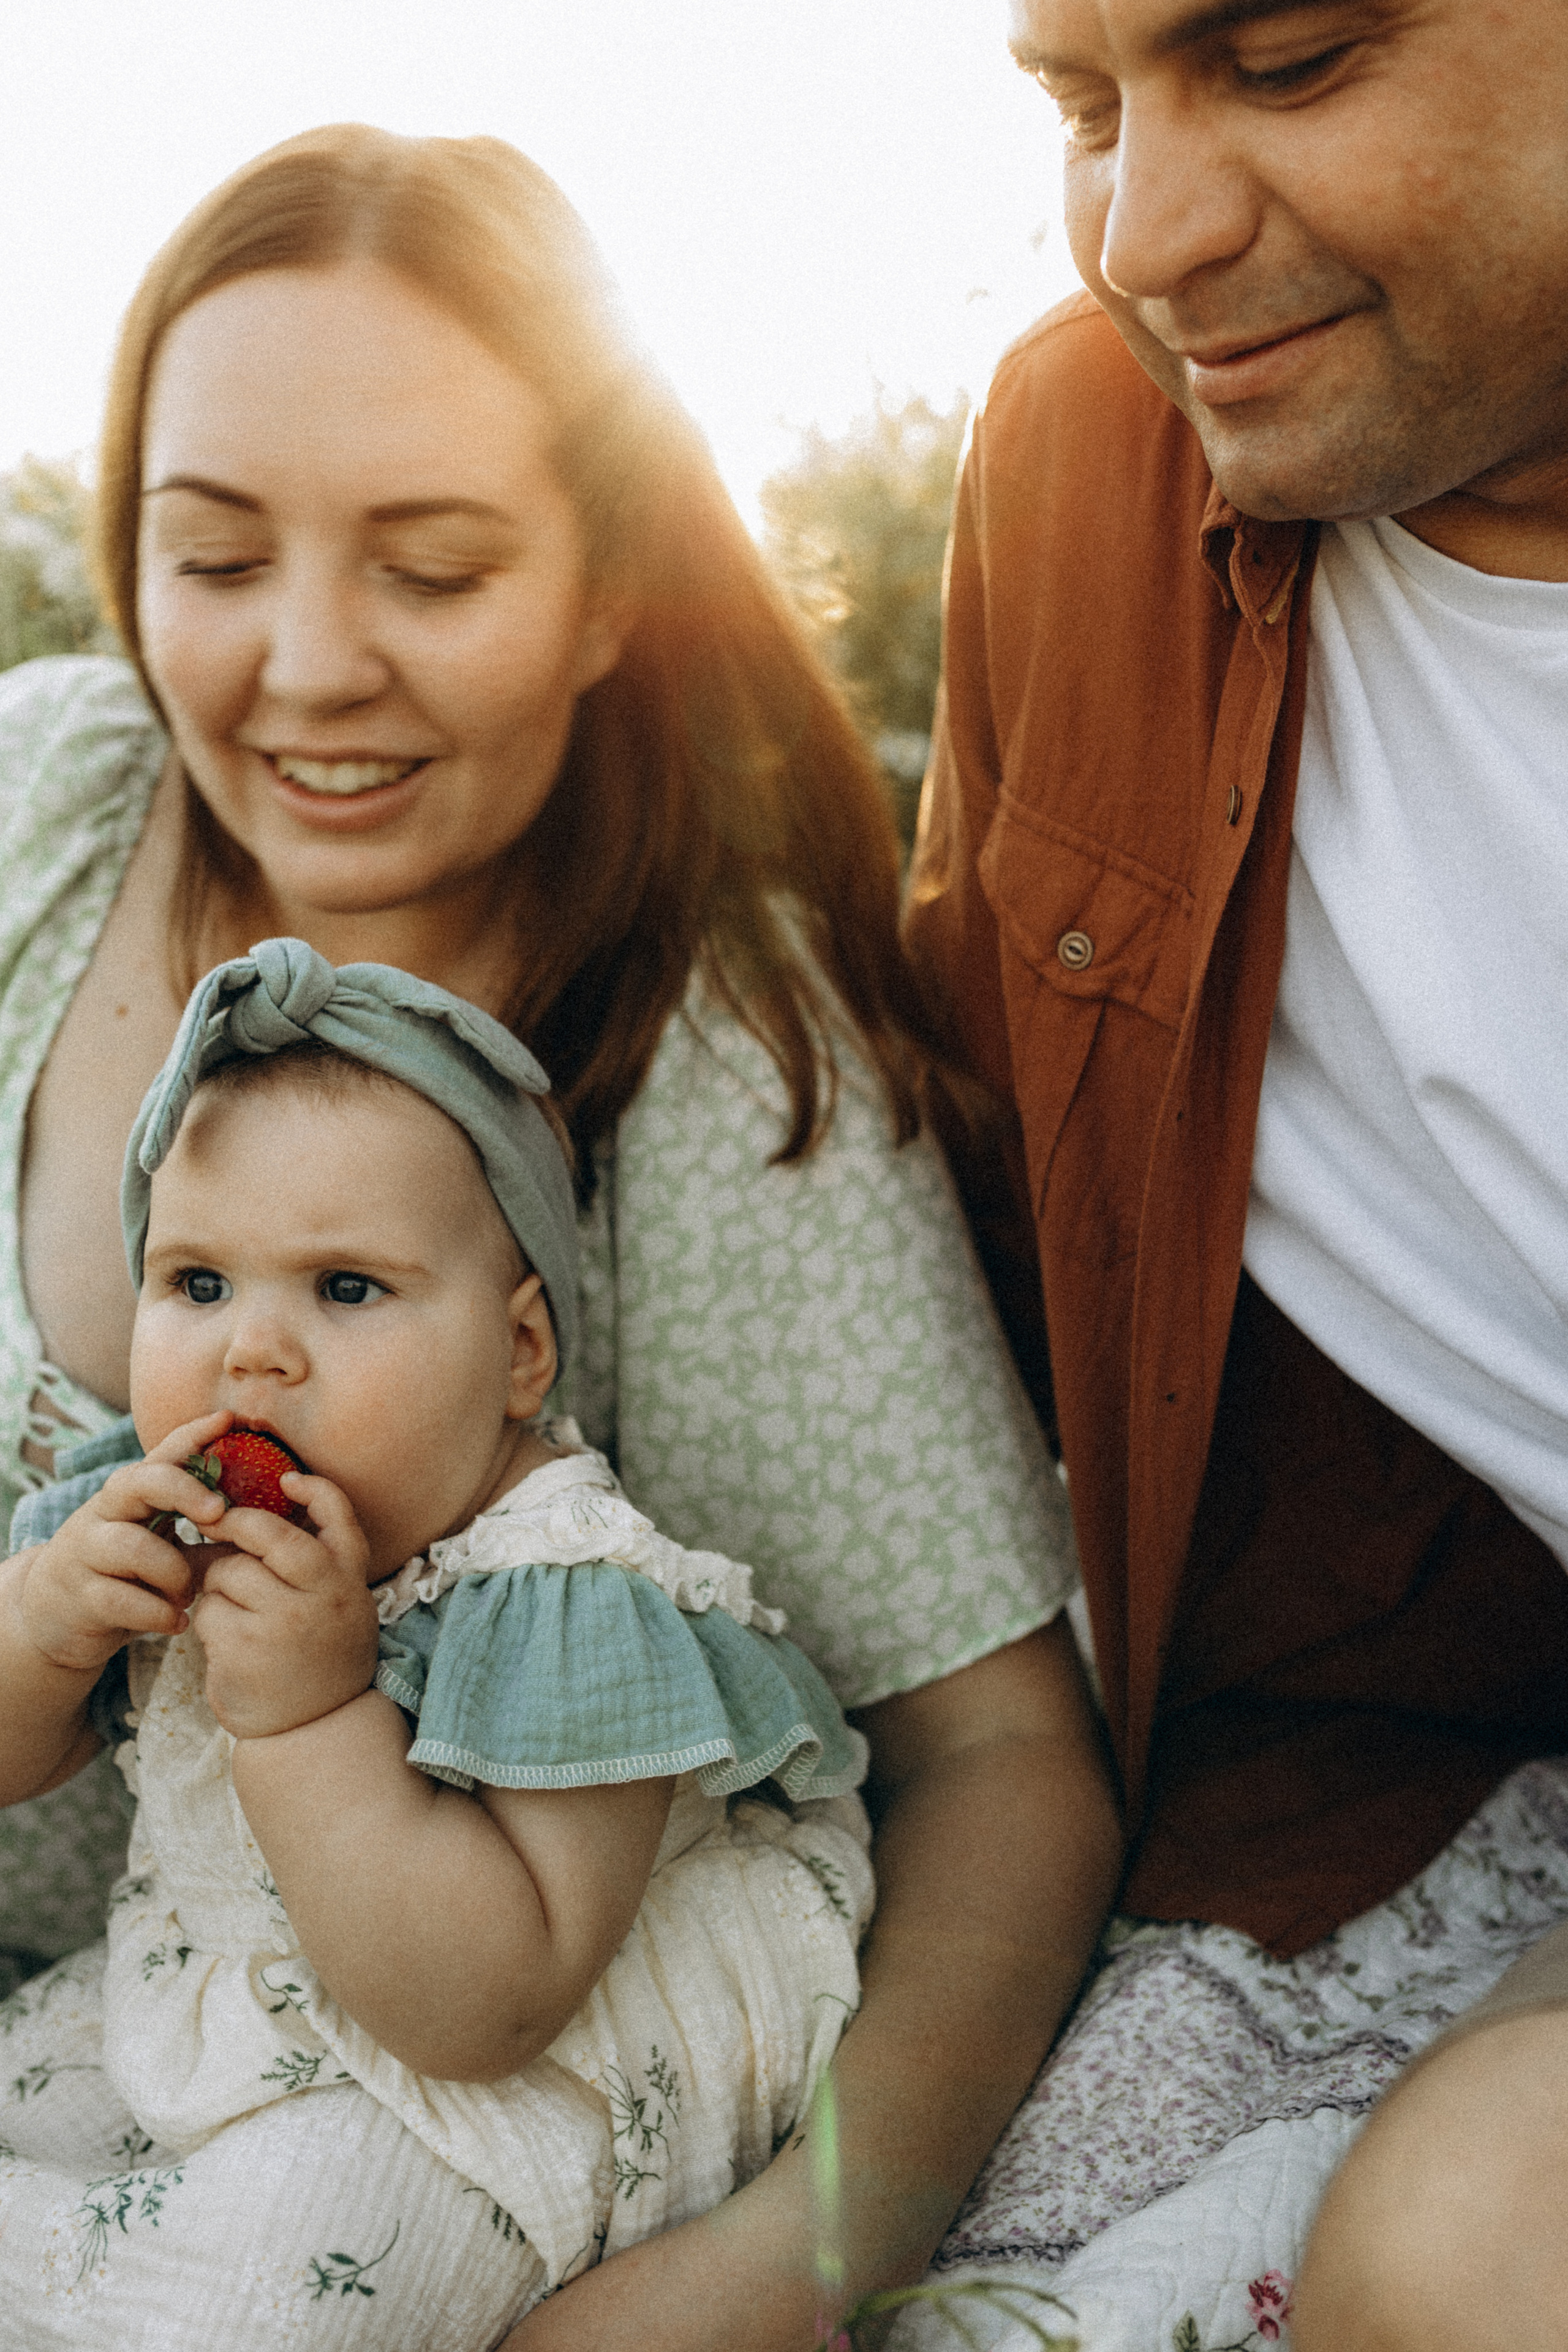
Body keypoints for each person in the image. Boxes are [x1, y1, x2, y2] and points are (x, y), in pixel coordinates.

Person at [0, 124, 1121, 2347]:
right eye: (215, 556)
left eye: (433, 570)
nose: (310, 668)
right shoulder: (49, 791)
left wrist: (769, 2275)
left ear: (610, 580)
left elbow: (1006, 1776)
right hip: (94, 2042)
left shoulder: (715, 1047)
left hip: (406, 2106)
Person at [905, 1, 1568, 2345]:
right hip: (1387, 1758)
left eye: (1284, 60)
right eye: (1079, 108)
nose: (1141, 238)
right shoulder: (1081, 470)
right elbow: (962, 1204)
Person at [0, 938, 876, 2346]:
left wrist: (307, 1718)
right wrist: (42, 1626)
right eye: (197, 1282)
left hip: (487, 2081)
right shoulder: (147, 1504)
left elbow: (488, 2005)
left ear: (520, 1353)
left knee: (260, 2304)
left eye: (344, 1289)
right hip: (224, 1998)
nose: (252, 1353)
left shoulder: (558, 1591)